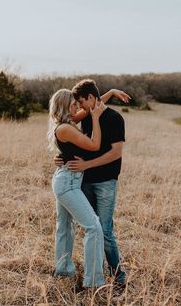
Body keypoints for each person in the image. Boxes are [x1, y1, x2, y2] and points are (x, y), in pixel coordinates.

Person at [55, 79, 129, 288]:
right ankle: (90, 272)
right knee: (89, 228)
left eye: (80, 102)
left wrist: (87, 164)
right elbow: (68, 133)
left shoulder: (115, 118)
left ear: (90, 99)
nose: (78, 107)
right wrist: (63, 157)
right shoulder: (87, 115)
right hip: (83, 182)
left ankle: (117, 274)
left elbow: (115, 153)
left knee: (103, 230)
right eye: (75, 103)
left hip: (106, 182)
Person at [47, 88, 106, 288]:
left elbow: (91, 107)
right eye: (74, 104)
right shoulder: (65, 128)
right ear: (65, 106)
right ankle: (94, 282)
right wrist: (96, 119)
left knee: (64, 227)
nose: (78, 107)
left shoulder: (68, 123)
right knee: (93, 227)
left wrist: (111, 93)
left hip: (67, 179)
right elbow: (94, 145)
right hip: (68, 183)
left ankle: (63, 271)